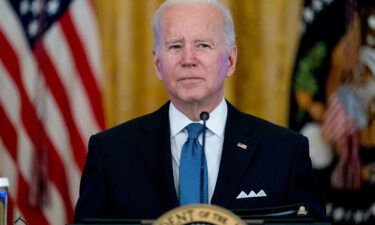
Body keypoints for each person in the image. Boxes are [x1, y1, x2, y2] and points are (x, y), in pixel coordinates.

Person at [74, 0, 325, 222]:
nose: (188, 59)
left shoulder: (284, 152)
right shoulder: (110, 153)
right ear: (157, 64)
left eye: (203, 45)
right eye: (174, 46)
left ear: (230, 60)